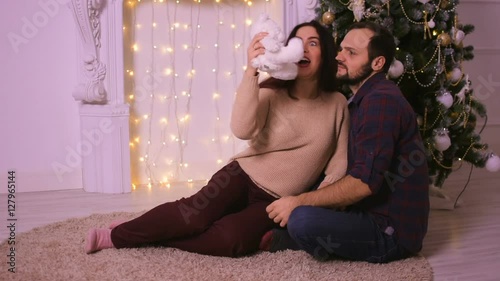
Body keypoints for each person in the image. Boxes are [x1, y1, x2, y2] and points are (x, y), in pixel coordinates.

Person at [84, 20, 349, 257]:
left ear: (324, 53)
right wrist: (251, 72)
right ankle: (116, 236)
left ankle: (154, 236)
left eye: (312, 43)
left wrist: (307, 205)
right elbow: (243, 130)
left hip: (275, 200)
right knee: (193, 217)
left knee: (231, 240)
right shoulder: (272, 90)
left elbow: (337, 166)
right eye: (297, 42)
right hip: (242, 175)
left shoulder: (337, 104)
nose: (303, 49)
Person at [259, 21, 430, 263]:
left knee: (301, 218)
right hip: (364, 211)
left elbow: (363, 184)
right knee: (297, 184)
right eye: (341, 49)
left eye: (351, 53)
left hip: (390, 232)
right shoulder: (361, 98)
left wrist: (298, 202)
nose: (339, 57)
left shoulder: (381, 101)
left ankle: (300, 240)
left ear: (377, 63)